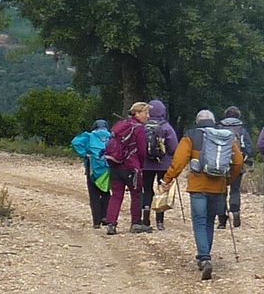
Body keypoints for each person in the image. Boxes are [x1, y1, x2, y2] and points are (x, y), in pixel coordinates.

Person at [160, 109, 243, 280]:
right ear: (213, 121)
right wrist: (227, 181)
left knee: (199, 221)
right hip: (218, 187)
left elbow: (179, 161)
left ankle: (204, 258)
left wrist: (167, 179)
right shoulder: (225, 136)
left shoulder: (191, 136)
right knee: (210, 221)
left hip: (198, 186)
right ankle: (206, 255)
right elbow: (238, 161)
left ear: (197, 121)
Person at [104, 102, 151, 235]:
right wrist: (141, 165)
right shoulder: (139, 128)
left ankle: (111, 224)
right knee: (136, 195)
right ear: (137, 113)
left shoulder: (121, 125)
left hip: (115, 164)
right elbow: (142, 150)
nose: (148, 116)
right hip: (132, 166)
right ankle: (135, 223)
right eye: (145, 113)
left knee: (116, 195)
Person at [140, 99, 179, 231]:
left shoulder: (143, 126)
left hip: (145, 164)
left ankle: (145, 217)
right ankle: (160, 221)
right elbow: (174, 147)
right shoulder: (166, 127)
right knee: (161, 189)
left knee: (147, 190)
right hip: (163, 164)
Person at [70, 119, 112, 228]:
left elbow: (75, 142)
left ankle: (96, 222)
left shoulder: (89, 136)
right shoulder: (111, 136)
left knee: (94, 195)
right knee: (106, 192)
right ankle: (105, 217)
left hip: (92, 167)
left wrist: (85, 153)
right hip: (107, 168)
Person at [216, 106, 253, 229]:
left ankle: (222, 219)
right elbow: (248, 147)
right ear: (238, 116)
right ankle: (235, 210)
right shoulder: (242, 130)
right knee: (235, 189)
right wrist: (247, 160)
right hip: (237, 164)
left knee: (221, 190)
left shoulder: (219, 128)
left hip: (220, 164)